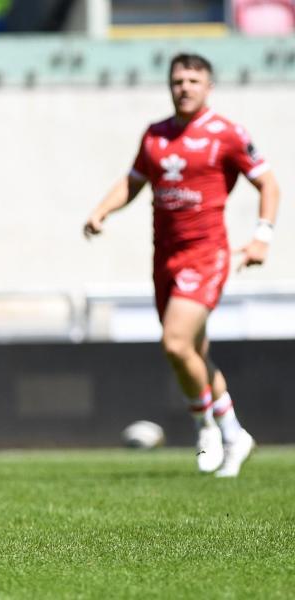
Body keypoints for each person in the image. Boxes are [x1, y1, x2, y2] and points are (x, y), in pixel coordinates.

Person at [83, 53, 280, 478]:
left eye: (193, 80)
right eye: (177, 80)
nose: (185, 87)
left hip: (207, 254)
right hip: (165, 258)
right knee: (193, 353)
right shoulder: (155, 135)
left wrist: (262, 236)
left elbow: (268, 182)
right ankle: (236, 433)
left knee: (175, 343)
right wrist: (102, 210)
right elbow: (134, 180)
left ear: (208, 87)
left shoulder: (226, 133)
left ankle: (208, 426)